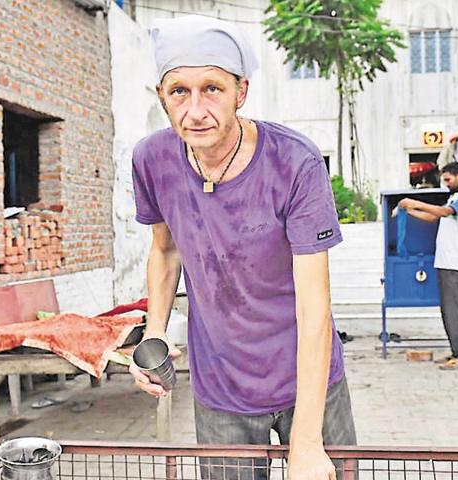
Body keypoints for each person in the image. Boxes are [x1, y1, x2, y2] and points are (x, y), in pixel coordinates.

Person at [129, 15, 356, 480]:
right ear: (161, 97)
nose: (195, 111)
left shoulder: (296, 163)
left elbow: (316, 308)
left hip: (308, 380)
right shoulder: (152, 160)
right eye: (179, 92)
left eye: (212, 88)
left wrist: (307, 443)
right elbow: (166, 250)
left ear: (241, 92)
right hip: (221, 385)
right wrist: (155, 328)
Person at [398, 162, 458, 370]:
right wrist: (408, 210)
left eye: (449, 179)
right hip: (443, 261)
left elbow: (441, 212)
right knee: (447, 311)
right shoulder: (454, 198)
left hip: (453, 263)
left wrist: (414, 201)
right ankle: (456, 351)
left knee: (455, 310)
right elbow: (432, 217)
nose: (446, 183)